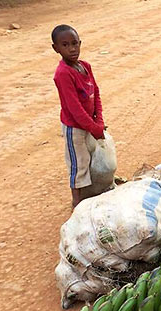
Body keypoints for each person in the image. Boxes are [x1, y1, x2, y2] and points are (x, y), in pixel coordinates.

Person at [52, 24, 106, 208]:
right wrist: (94, 127)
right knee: (78, 164)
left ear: (80, 43)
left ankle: (91, 195)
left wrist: (99, 121)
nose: (72, 48)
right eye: (65, 45)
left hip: (89, 123)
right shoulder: (63, 74)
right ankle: (77, 202)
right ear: (56, 48)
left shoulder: (85, 66)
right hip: (74, 127)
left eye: (75, 43)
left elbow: (95, 93)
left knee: (91, 158)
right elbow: (74, 108)